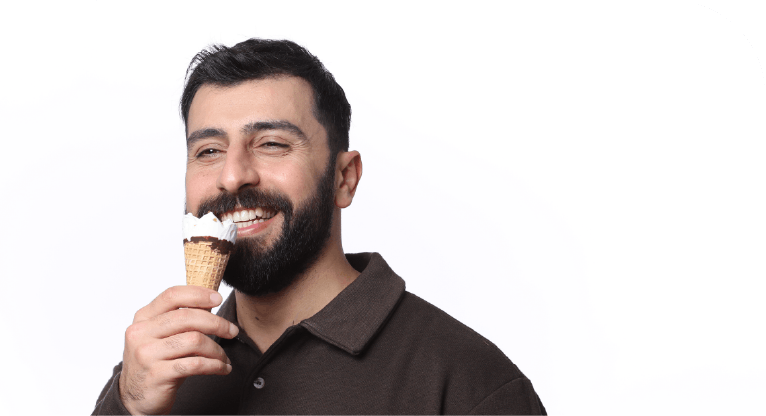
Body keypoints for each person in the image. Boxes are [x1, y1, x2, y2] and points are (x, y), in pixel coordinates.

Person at [92, 38, 546, 416]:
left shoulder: (472, 384)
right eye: (208, 150)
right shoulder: (157, 373)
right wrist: (127, 403)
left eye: (271, 143)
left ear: (343, 178)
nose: (232, 176)